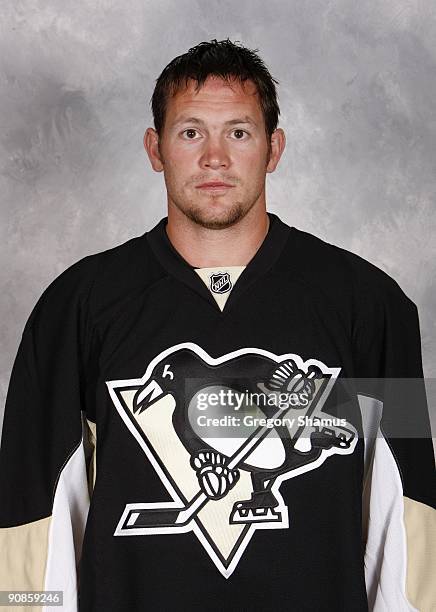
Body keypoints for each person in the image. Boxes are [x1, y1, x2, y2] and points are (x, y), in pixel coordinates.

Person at [0, 38, 434, 612]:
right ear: (156, 148)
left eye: (238, 132)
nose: (214, 158)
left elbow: (408, 509)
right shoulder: (74, 309)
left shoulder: (374, 307)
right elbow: (35, 516)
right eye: (190, 132)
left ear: (273, 148)